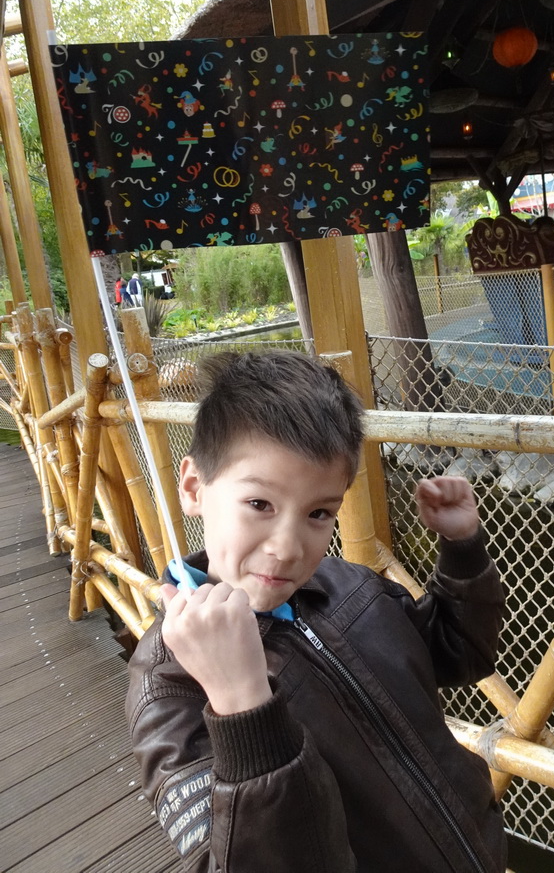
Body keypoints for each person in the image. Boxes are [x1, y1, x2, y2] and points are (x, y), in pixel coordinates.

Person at [125, 351, 507, 873]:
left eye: (318, 513)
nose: (286, 548)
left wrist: (462, 549)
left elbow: (459, 654)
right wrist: (242, 705)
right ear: (194, 487)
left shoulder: (351, 585)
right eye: (260, 504)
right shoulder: (170, 684)